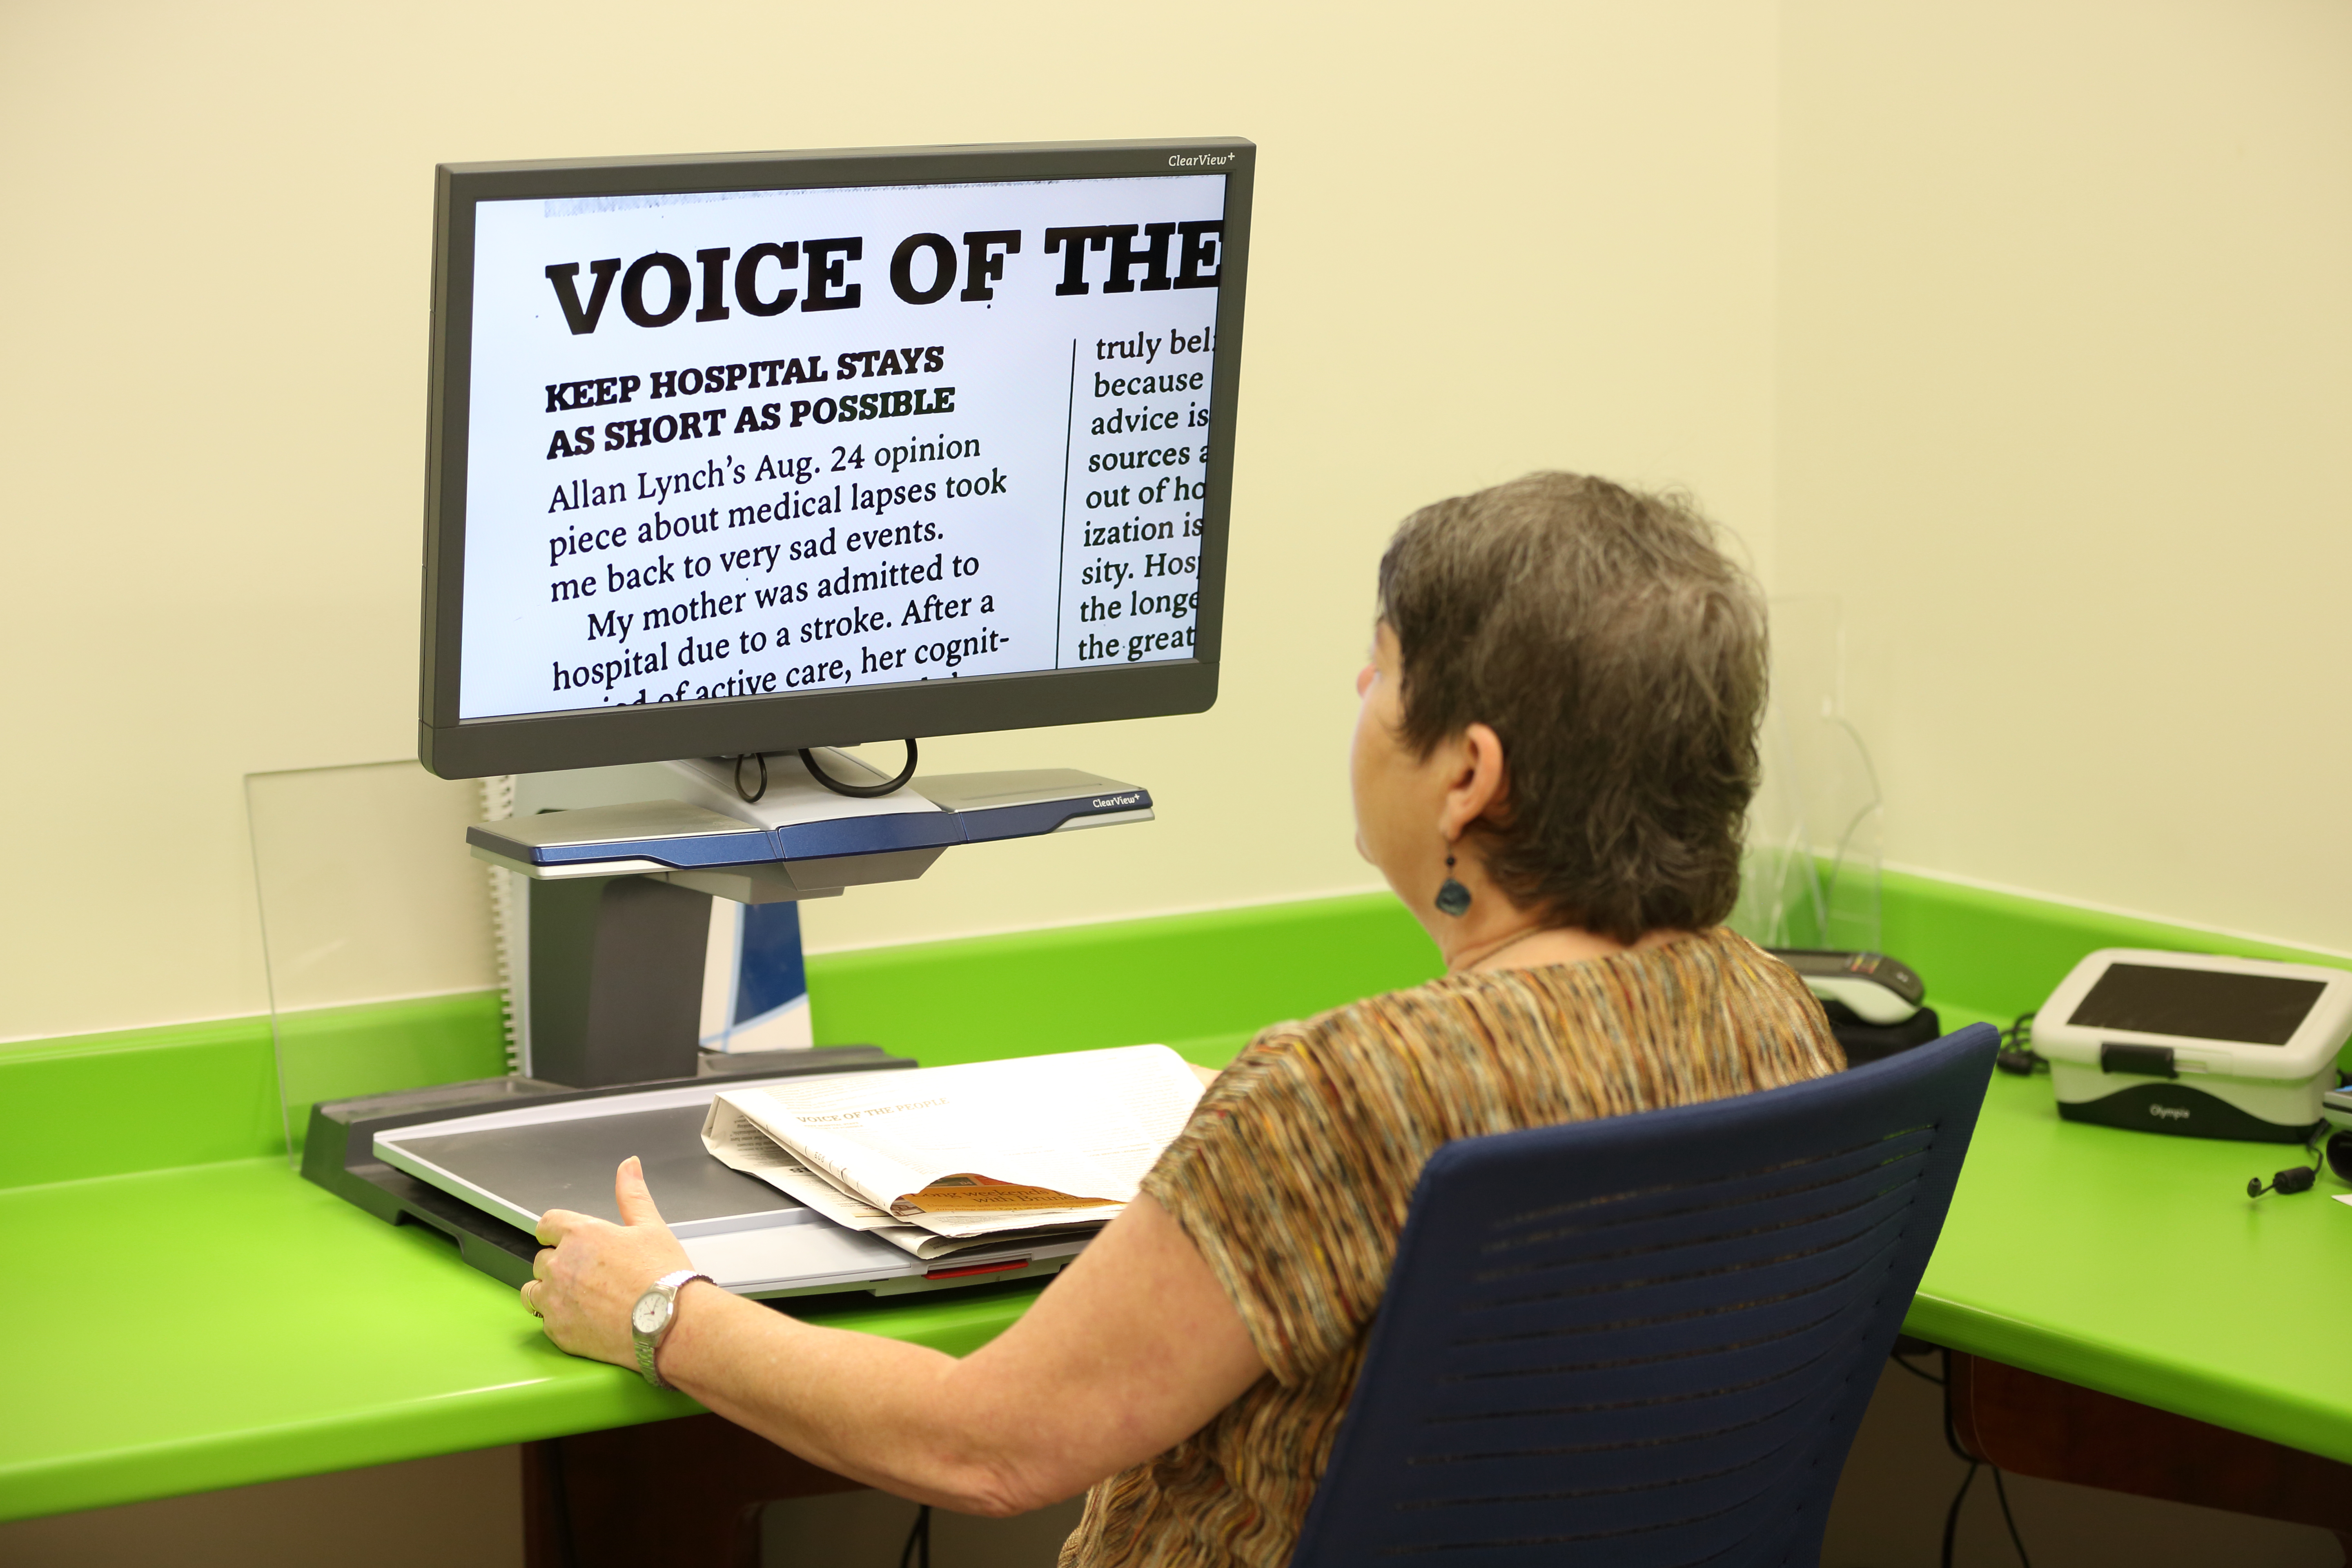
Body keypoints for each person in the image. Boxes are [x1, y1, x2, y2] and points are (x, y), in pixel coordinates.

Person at [523, 471, 1844, 1567]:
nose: (1361, 703)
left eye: (1380, 678)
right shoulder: (1771, 1015)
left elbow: (989, 1445)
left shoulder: (1347, 1092)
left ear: (1468, 777)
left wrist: (663, 1311)